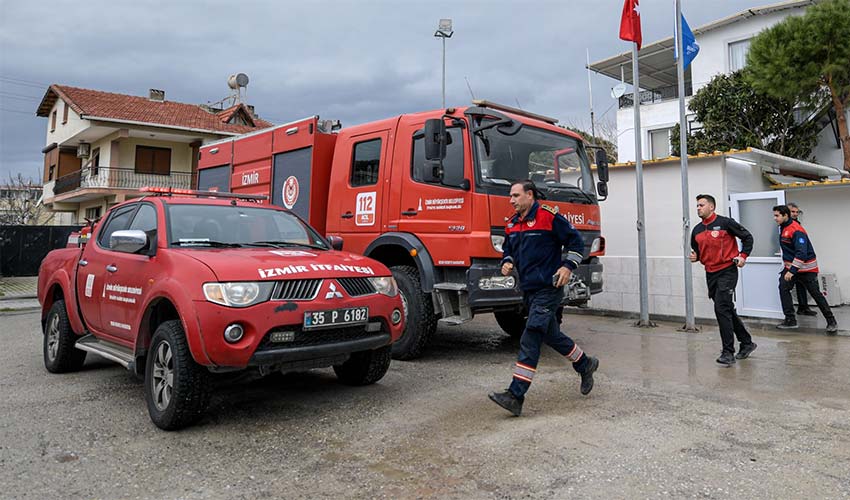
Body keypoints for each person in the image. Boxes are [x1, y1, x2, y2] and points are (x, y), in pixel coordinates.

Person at [488, 180, 599, 417]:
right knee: (551, 335)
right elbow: (508, 250)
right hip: (528, 290)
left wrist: (568, 266)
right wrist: (507, 261)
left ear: (530, 195)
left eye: (516, 195)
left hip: (549, 288)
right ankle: (585, 364)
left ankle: (515, 395)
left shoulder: (548, 217)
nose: (511, 200)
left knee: (531, 335)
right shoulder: (512, 223)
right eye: (511, 196)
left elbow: (576, 242)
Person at [689, 194, 757, 366]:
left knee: (721, 308)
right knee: (726, 308)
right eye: (697, 205)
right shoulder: (696, 230)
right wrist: (696, 257)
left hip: (727, 271)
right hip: (710, 273)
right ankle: (746, 342)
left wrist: (743, 256)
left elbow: (748, 237)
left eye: (701, 205)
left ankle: (728, 352)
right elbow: (697, 251)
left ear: (711, 207)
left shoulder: (726, 223)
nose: (698, 208)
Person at [773, 205, 838, 334]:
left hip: (807, 269)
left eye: (777, 215)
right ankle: (790, 320)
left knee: (816, 294)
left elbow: (801, 253)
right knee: (783, 288)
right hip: (791, 267)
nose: (775, 218)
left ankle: (831, 321)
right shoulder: (783, 227)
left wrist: (792, 271)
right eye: (774, 215)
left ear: (785, 215)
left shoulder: (796, 230)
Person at [786, 202, 816, 316]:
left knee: (801, 284)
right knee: (785, 287)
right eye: (792, 212)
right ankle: (789, 314)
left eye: (797, 212)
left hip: (799, 260)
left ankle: (803, 307)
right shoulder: (784, 226)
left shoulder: (797, 224)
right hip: (790, 261)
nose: (795, 214)